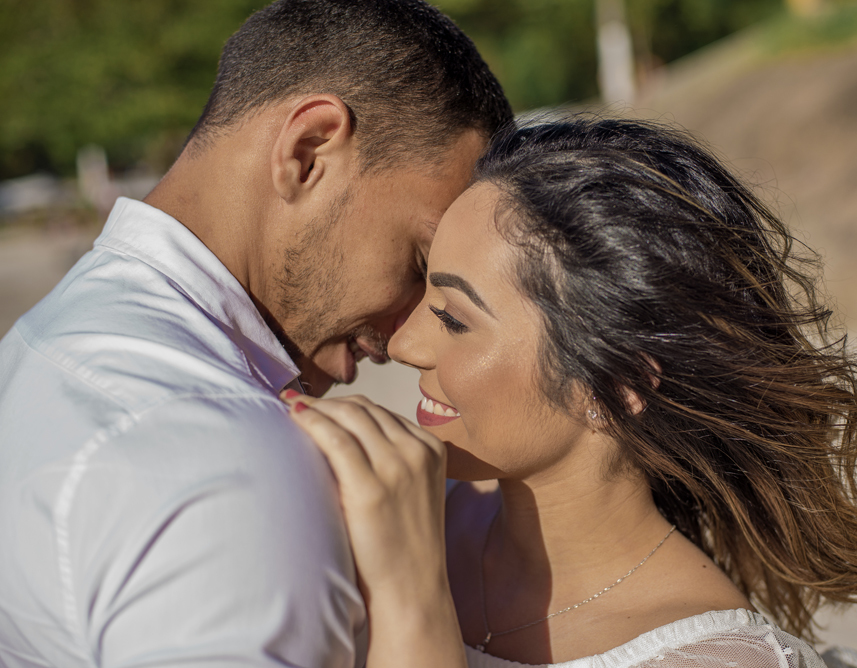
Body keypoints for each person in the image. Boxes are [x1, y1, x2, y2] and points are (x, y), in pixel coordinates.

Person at [284, 118, 857, 668]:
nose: (404, 344)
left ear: (617, 386)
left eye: (454, 318)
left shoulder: (710, 660)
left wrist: (411, 598)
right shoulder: (407, 508)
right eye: (425, 291)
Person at [0, 1, 511, 665]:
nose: (410, 336)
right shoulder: (228, 469)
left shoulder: (34, 348)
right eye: (419, 263)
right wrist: (414, 610)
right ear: (308, 151)